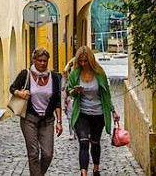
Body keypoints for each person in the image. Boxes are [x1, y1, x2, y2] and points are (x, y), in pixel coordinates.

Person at [66, 45, 120, 176]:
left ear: (90, 60)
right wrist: (75, 91)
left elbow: (106, 94)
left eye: (86, 61)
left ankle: (96, 169)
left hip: (98, 114)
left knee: (95, 142)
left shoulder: (99, 73)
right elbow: (69, 92)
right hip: (81, 113)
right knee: (83, 142)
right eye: (81, 61)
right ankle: (83, 173)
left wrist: (113, 110)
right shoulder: (75, 74)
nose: (83, 64)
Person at [10, 47, 63, 176]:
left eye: (45, 61)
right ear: (34, 60)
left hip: (48, 120)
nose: (42, 63)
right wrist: (21, 94)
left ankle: (39, 174)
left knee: (47, 154)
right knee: (33, 153)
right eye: (40, 60)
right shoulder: (26, 74)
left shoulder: (55, 78)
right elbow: (12, 88)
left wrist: (59, 121)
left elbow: (57, 100)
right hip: (29, 118)